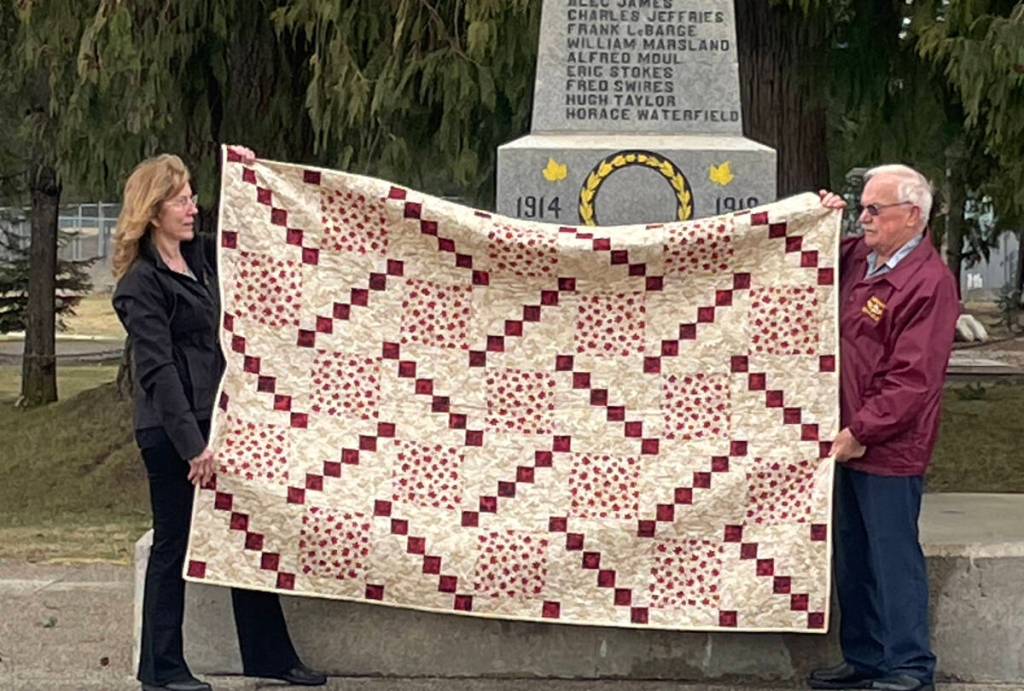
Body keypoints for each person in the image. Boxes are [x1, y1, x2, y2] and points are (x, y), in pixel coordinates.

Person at [112, 149, 327, 691]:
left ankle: (269, 656)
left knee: (248, 531)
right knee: (174, 542)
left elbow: (246, 226)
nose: (193, 208)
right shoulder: (140, 284)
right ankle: (161, 669)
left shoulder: (202, 259)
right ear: (153, 211)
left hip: (219, 424)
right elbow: (157, 371)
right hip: (173, 434)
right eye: (181, 200)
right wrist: (192, 447)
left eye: (192, 197)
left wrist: (253, 172)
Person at [814, 165, 959, 691]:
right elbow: (813, 252)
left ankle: (909, 665)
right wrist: (818, 216)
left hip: (889, 446)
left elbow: (912, 380)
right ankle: (866, 658)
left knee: (892, 557)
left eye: (876, 210)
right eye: (862, 207)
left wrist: (863, 430)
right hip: (850, 438)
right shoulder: (861, 260)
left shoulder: (927, 283)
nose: (864, 217)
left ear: (912, 216)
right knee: (853, 558)